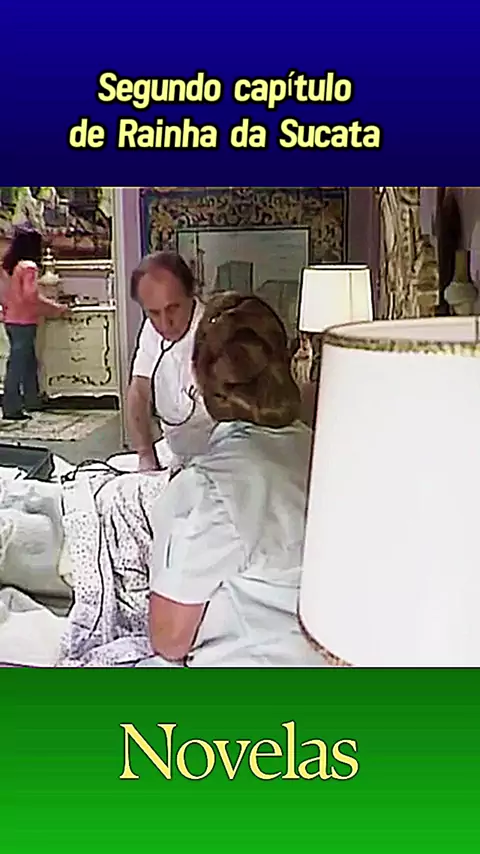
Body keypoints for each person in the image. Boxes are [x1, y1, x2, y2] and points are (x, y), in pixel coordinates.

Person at [146, 291, 325, 668]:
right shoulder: (325, 454)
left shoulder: (207, 489)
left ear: (198, 378)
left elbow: (169, 640)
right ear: (287, 361)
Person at [127, 251, 215, 472]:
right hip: (177, 453)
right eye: (154, 313)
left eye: (173, 308)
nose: (165, 325)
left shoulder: (215, 331)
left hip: (219, 456)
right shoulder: (151, 329)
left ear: (191, 293)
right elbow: (139, 391)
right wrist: (146, 456)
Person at [1, 228, 66, 421]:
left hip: (11, 319)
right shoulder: (29, 267)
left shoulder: (12, 266)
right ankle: (11, 407)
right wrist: (54, 307)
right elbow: (31, 296)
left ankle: (31, 399)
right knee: (19, 364)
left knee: (27, 361)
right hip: (24, 320)